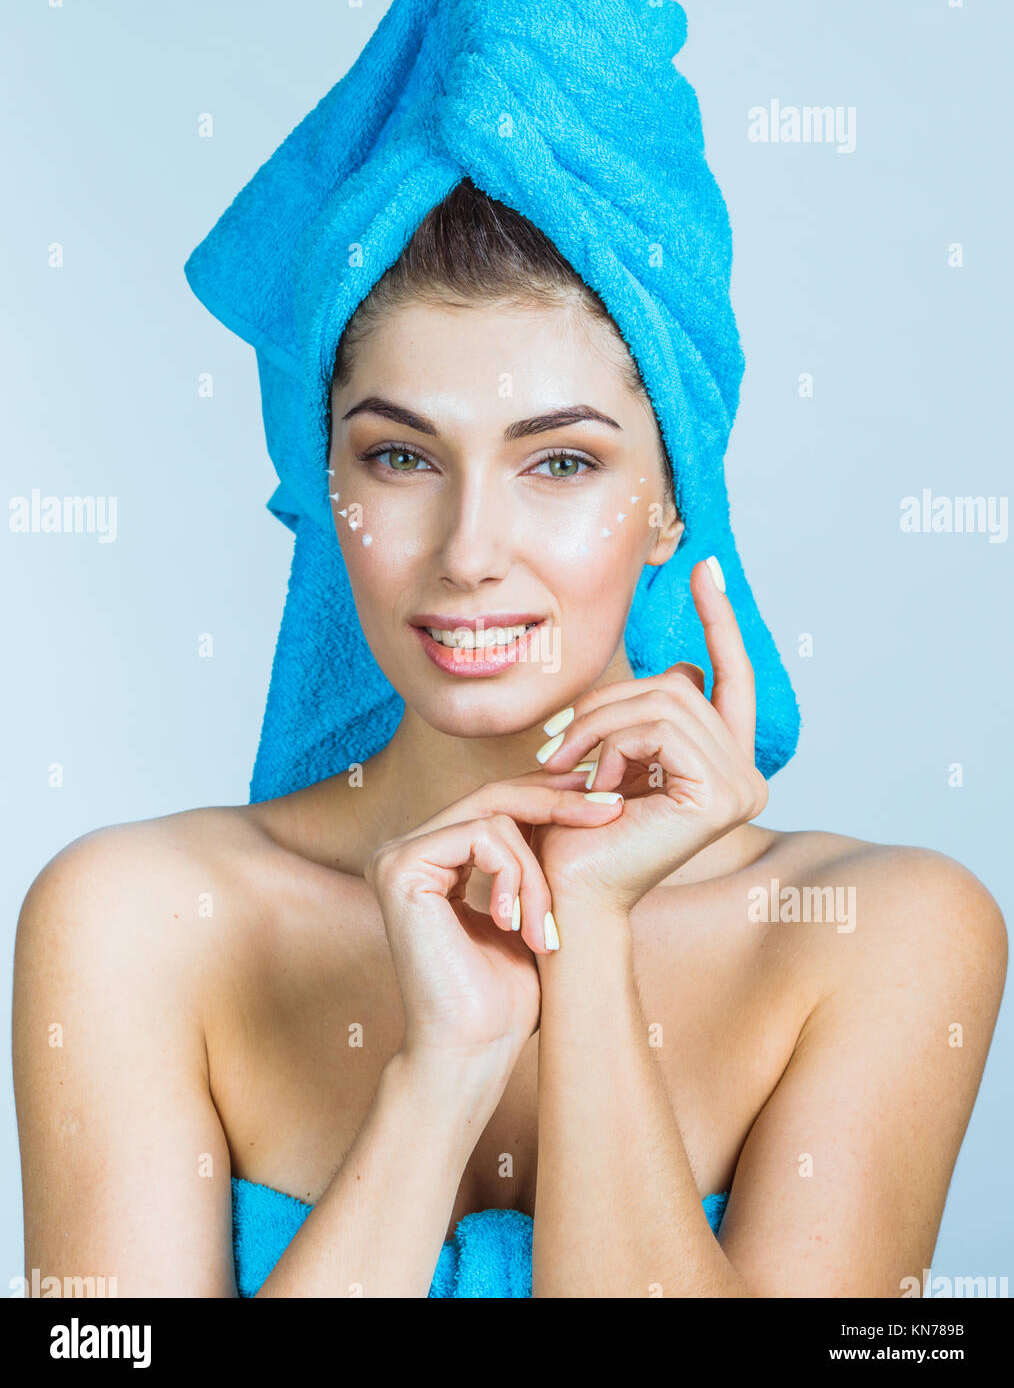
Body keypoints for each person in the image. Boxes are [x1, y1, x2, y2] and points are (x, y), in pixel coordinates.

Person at [12, 178, 1006, 1298]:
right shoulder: (130, 918)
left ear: (671, 501)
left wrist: (586, 935)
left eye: (561, 462)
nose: (470, 550)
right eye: (401, 457)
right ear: (326, 479)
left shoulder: (889, 932)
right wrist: (440, 1080)